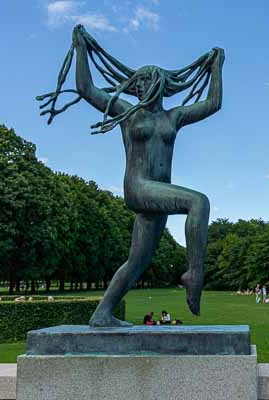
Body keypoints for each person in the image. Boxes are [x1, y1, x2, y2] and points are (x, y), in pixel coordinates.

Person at [40, 25, 224, 327]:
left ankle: (102, 314)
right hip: (138, 188)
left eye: (146, 82)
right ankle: (195, 273)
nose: (139, 87)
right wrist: (81, 49)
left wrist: (216, 67)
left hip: (158, 196)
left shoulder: (173, 117)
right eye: (137, 82)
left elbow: (213, 104)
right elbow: (87, 89)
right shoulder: (128, 112)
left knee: (137, 262)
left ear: (160, 85)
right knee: (198, 203)